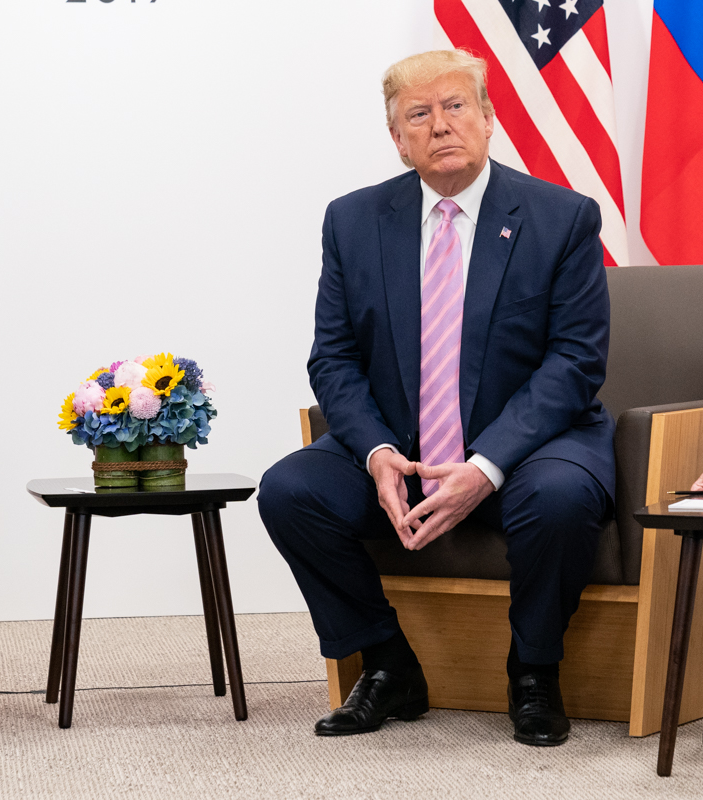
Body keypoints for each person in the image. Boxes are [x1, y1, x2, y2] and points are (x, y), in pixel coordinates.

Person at [257, 49, 614, 748]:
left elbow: (575, 360)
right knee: (289, 489)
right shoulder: (353, 221)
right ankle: (387, 664)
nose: (440, 125)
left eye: (456, 106)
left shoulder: (561, 217)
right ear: (398, 139)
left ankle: (534, 670)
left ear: (488, 120)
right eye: (418, 114)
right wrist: (379, 452)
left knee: (563, 499)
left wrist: (486, 466)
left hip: (532, 446)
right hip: (406, 446)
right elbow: (332, 357)